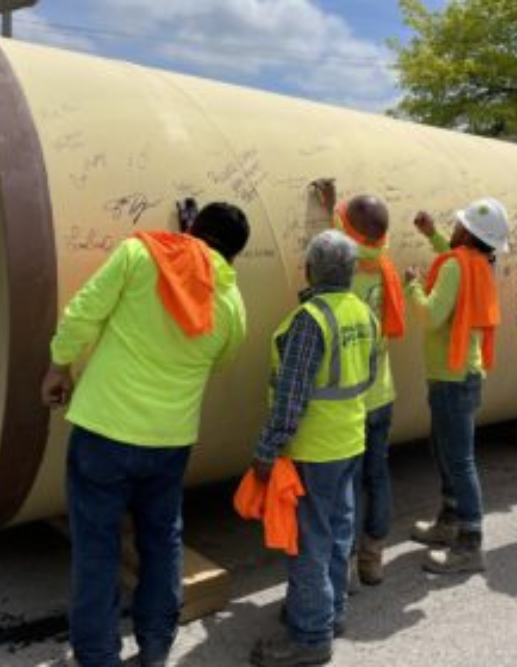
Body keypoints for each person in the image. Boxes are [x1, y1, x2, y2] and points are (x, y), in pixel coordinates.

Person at [40, 203, 250, 667]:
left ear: (192, 229)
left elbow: (82, 313)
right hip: (169, 442)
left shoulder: (139, 255)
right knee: (161, 540)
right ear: (234, 257)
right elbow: (220, 360)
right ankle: (155, 647)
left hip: (104, 431)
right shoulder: (232, 305)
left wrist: (60, 367)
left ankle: (97, 656)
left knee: (97, 546)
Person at [248, 230, 378, 667]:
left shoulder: (311, 319)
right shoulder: (363, 312)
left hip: (313, 448)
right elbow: (370, 375)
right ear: (353, 271)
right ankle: (331, 611)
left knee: (308, 541)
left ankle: (310, 636)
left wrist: (267, 450)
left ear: (307, 270)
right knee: (339, 530)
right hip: (348, 441)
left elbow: (291, 397)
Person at [405, 197, 509, 574]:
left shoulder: (455, 267)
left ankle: (470, 543)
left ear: (467, 232)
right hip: (462, 373)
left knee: (459, 459)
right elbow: (454, 259)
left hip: (452, 378)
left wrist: (412, 286)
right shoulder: (479, 264)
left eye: (458, 224)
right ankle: (449, 520)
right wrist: (432, 234)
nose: (455, 228)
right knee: (446, 452)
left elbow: (431, 316)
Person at [313, 180, 405, 586]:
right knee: (377, 476)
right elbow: (361, 230)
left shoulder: (343, 265)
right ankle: (373, 558)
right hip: (381, 391)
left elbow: (330, 246)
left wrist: (328, 208)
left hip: (347, 398)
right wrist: (340, 210)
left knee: (345, 484)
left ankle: (345, 566)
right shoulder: (384, 262)